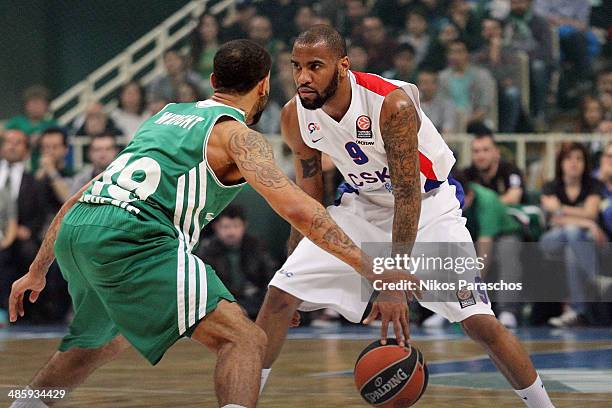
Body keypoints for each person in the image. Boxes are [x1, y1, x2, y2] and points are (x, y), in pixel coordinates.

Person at [8, 39, 407, 408]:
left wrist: (37, 269)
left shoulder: (165, 115)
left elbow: (82, 194)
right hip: (134, 237)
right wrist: (371, 267)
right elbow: (301, 210)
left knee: (98, 344)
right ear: (265, 85)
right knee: (245, 339)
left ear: (214, 81)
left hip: (80, 228)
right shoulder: (239, 137)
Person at [256, 25, 555, 408]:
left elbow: (408, 194)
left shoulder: (389, 105)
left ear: (343, 66)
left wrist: (393, 280)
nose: (303, 77)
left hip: (427, 206)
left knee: (479, 322)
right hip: (362, 205)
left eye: (315, 66)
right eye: (296, 67)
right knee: (279, 296)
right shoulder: (294, 116)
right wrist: (296, 259)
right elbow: (309, 194)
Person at [539, 142, 605, 327]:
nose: (574, 163)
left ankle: (577, 311)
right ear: (561, 163)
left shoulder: (593, 185)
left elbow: (591, 212)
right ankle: (595, 278)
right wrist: (586, 223)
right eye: (569, 158)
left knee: (571, 248)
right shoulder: (551, 186)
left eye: (579, 159)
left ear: (585, 163)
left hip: (582, 242)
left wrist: (561, 210)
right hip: (551, 240)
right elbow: (554, 219)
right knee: (572, 231)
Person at [196, 205, 277, 319]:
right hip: (222, 305)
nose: (231, 232)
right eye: (226, 227)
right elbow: (206, 288)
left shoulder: (256, 245)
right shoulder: (207, 250)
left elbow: (270, 278)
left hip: (255, 302)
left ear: (244, 226)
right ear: (216, 227)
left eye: (236, 226)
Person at [463, 130, 526, 205]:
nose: (481, 156)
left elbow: (514, 197)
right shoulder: (466, 174)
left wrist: (486, 206)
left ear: (497, 152)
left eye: (486, 150)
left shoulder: (511, 170)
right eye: (476, 151)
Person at [417, 70, 457, 134]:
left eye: (426, 83)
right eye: (420, 83)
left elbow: (448, 128)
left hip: (440, 139)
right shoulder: (414, 104)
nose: (423, 87)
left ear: (435, 85)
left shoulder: (446, 104)